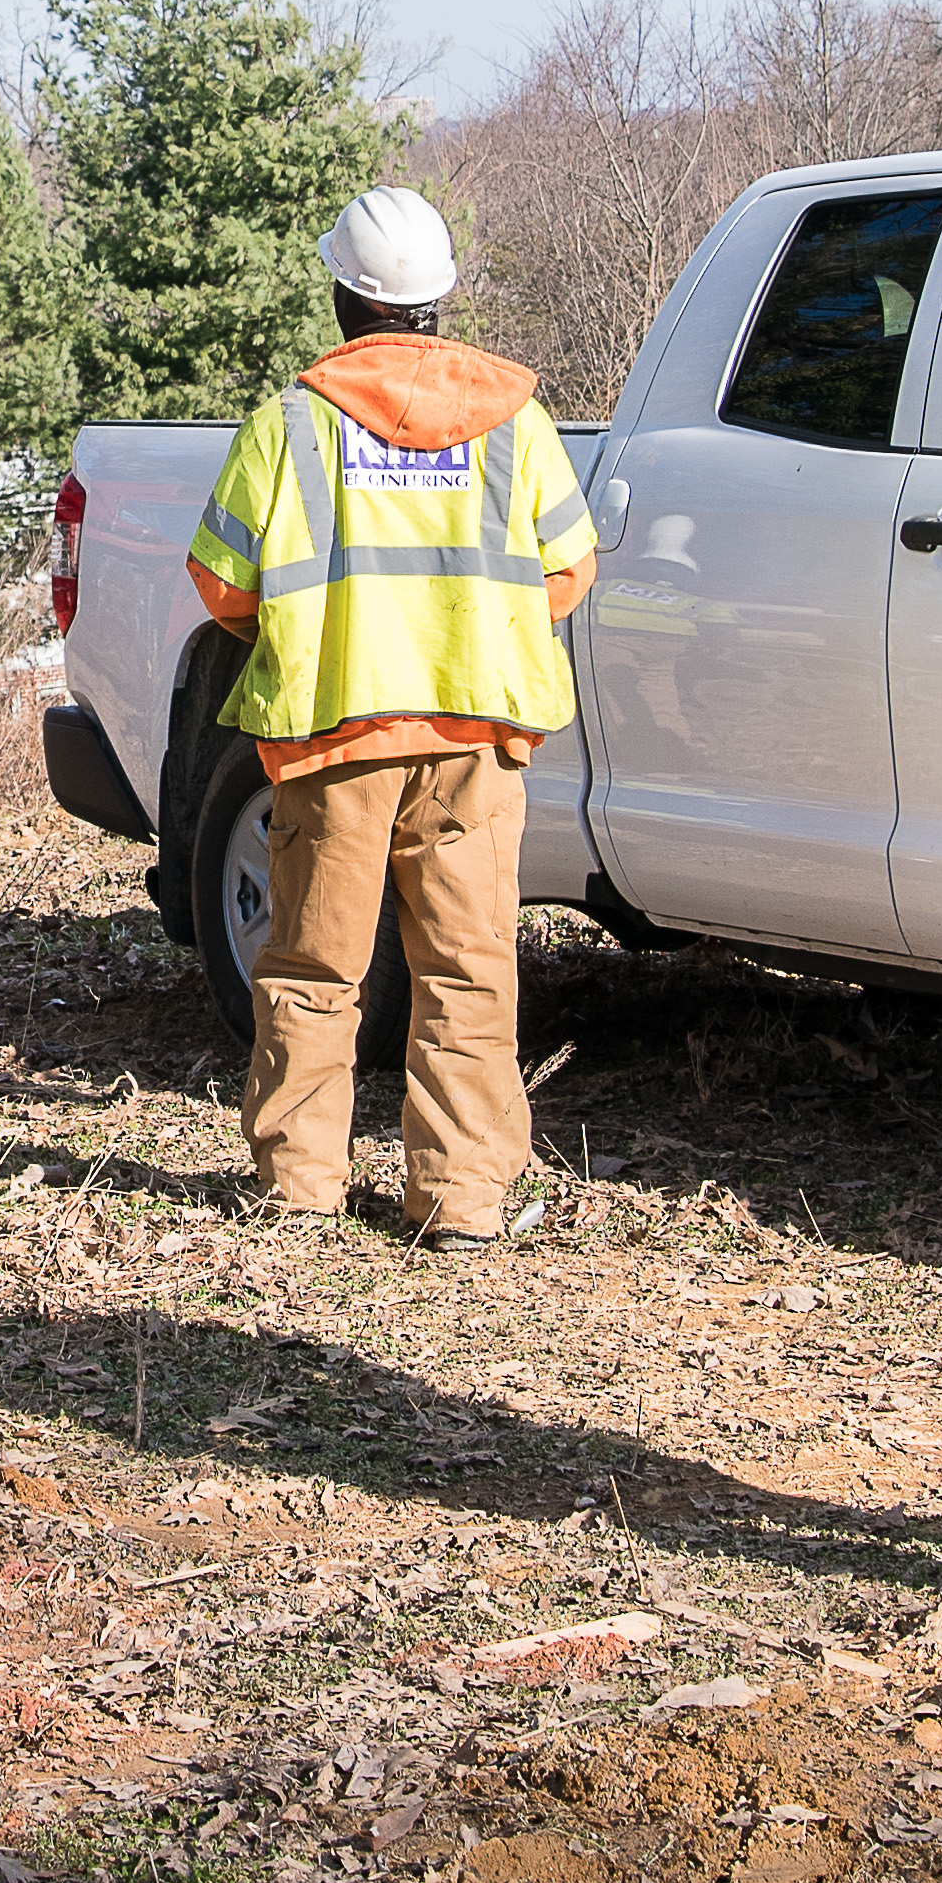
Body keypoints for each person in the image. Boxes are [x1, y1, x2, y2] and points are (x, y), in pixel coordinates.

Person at [187, 187, 598, 1246]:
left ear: (339, 296)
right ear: (440, 300)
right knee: (468, 966)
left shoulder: (288, 427)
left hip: (336, 736)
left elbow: (222, 588)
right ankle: (461, 1202)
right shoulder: (517, 421)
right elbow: (567, 571)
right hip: (472, 739)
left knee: (315, 965)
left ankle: (300, 1186)